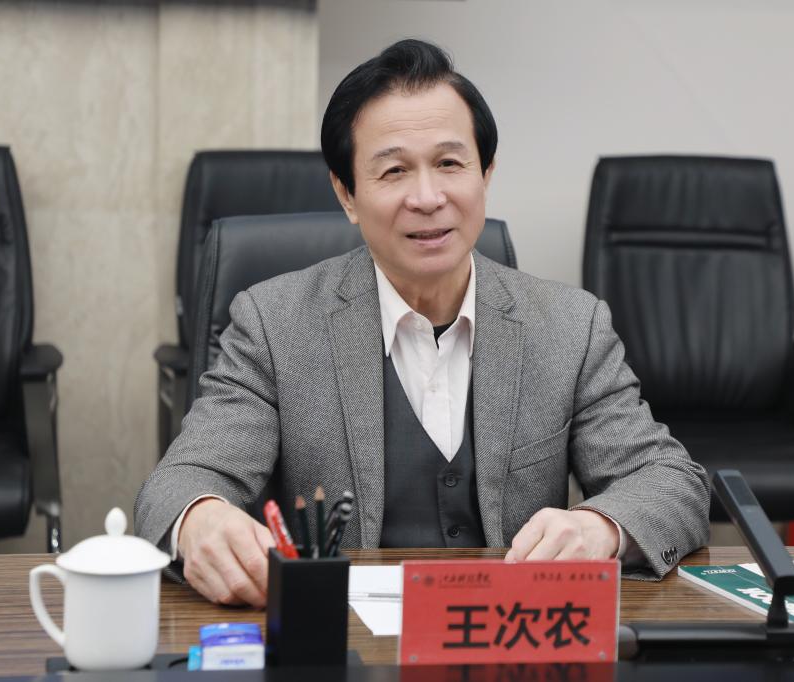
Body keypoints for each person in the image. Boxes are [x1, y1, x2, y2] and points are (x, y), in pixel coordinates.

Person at [135, 39, 709, 608]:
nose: (428, 197)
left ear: (485, 174)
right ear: (347, 194)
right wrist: (200, 518)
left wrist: (600, 527)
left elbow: (672, 482)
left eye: (450, 164)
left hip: (510, 637)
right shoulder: (274, 324)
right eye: (394, 171)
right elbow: (177, 483)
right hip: (339, 636)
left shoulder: (568, 327)